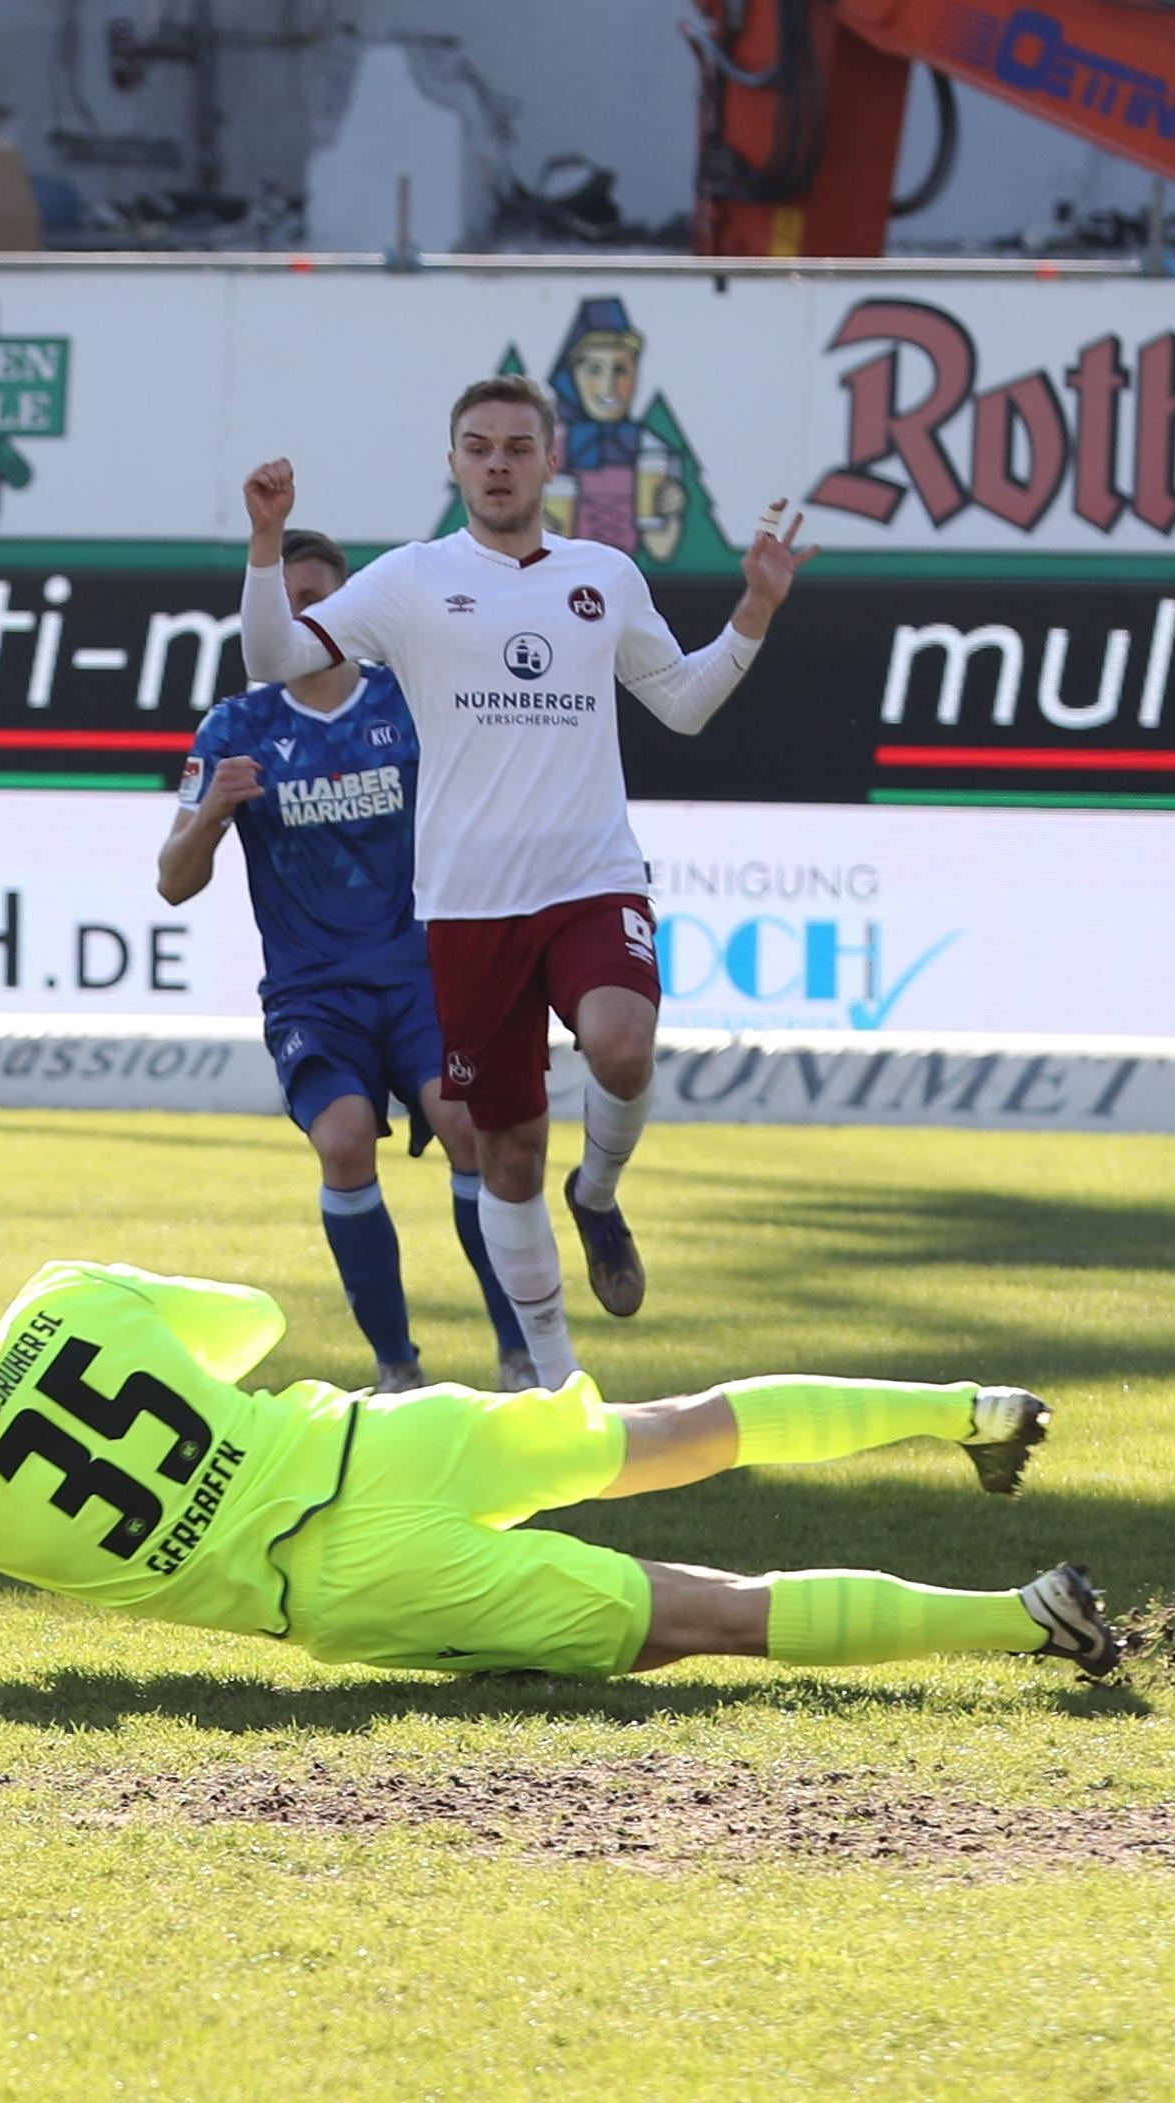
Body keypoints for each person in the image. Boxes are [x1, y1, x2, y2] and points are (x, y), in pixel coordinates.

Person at [0, 1248, 1119, 1684]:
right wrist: (189, 1379)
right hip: (385, 1431)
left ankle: (1021, 1619)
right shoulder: (78, 1297)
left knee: (706, 1619)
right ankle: (972, 1404)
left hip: (352, 1574)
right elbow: (250, 1314)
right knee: (686, 1429)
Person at [235, 374, 815, 1387]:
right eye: (477, 446)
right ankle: (554, 1384)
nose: (496, 463)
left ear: (550, 462)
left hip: (590, 875)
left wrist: (753, 612)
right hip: (465, 905)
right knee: (505, 1156)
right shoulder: (409, 579)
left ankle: (598, 1192)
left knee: (620, 1047)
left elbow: (679, 705)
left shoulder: (602, 573)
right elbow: (274, 654)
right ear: (451, 461)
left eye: (515, 446)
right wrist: (262, 539)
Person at [160, 523, 531, 1394]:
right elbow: (173, 881)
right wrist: (212, 810)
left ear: (348, 606)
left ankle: (520, 1351)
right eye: (286, 602)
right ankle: (396, 1366)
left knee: (471, 1128)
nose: (302, 614)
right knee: (343, 1142)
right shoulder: (231, 728)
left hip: (425, 976)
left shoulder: (411, 701)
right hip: (313, 993)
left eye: (319, 599)